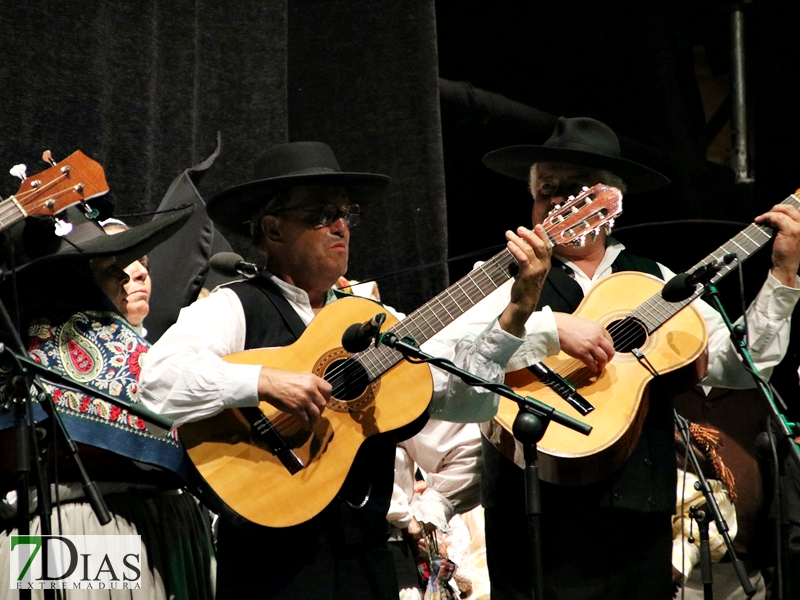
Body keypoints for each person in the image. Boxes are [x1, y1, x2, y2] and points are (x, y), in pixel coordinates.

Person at [423, 116, 800, 600]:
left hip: (636, 513)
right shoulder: (496, 276)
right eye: (546, 190)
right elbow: (447, 363)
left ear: (609, 204)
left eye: (574, 189)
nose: (558, 201)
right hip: (532, 513)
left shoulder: (656, 280)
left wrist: (783, 277)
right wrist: (549, 328)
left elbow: (742, 367)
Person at [0, 206, 216, 599]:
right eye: (105, 266)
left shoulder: (124, 350)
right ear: (69, 282)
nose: (123, 274)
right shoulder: (59, 352)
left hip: (128, 529)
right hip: (87, 533)